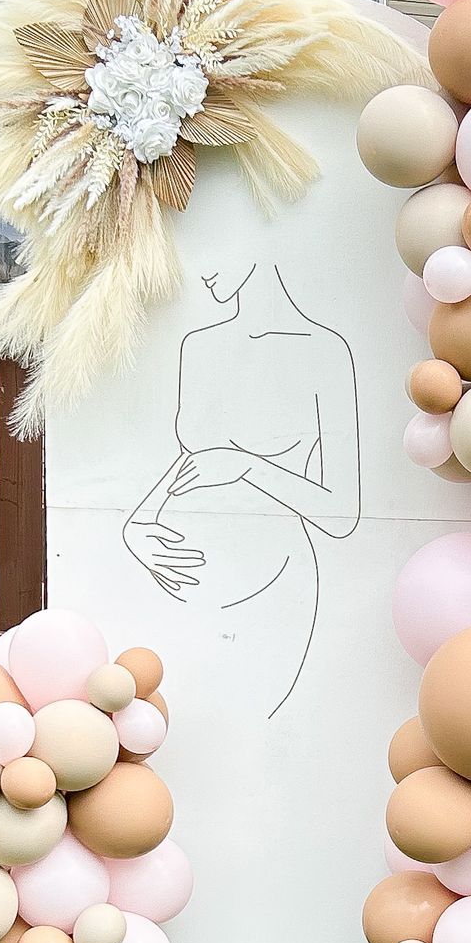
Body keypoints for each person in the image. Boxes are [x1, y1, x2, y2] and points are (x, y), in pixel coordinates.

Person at [122, 260, 359, 716]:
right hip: (180, 585)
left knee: (250, 728)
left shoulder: (323, 352)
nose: (203, 269)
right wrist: (139, 524)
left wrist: (247, 466)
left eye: (220, 250)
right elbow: (195, 458)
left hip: (269, 586)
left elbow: (342, 512)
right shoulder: (199, 346)